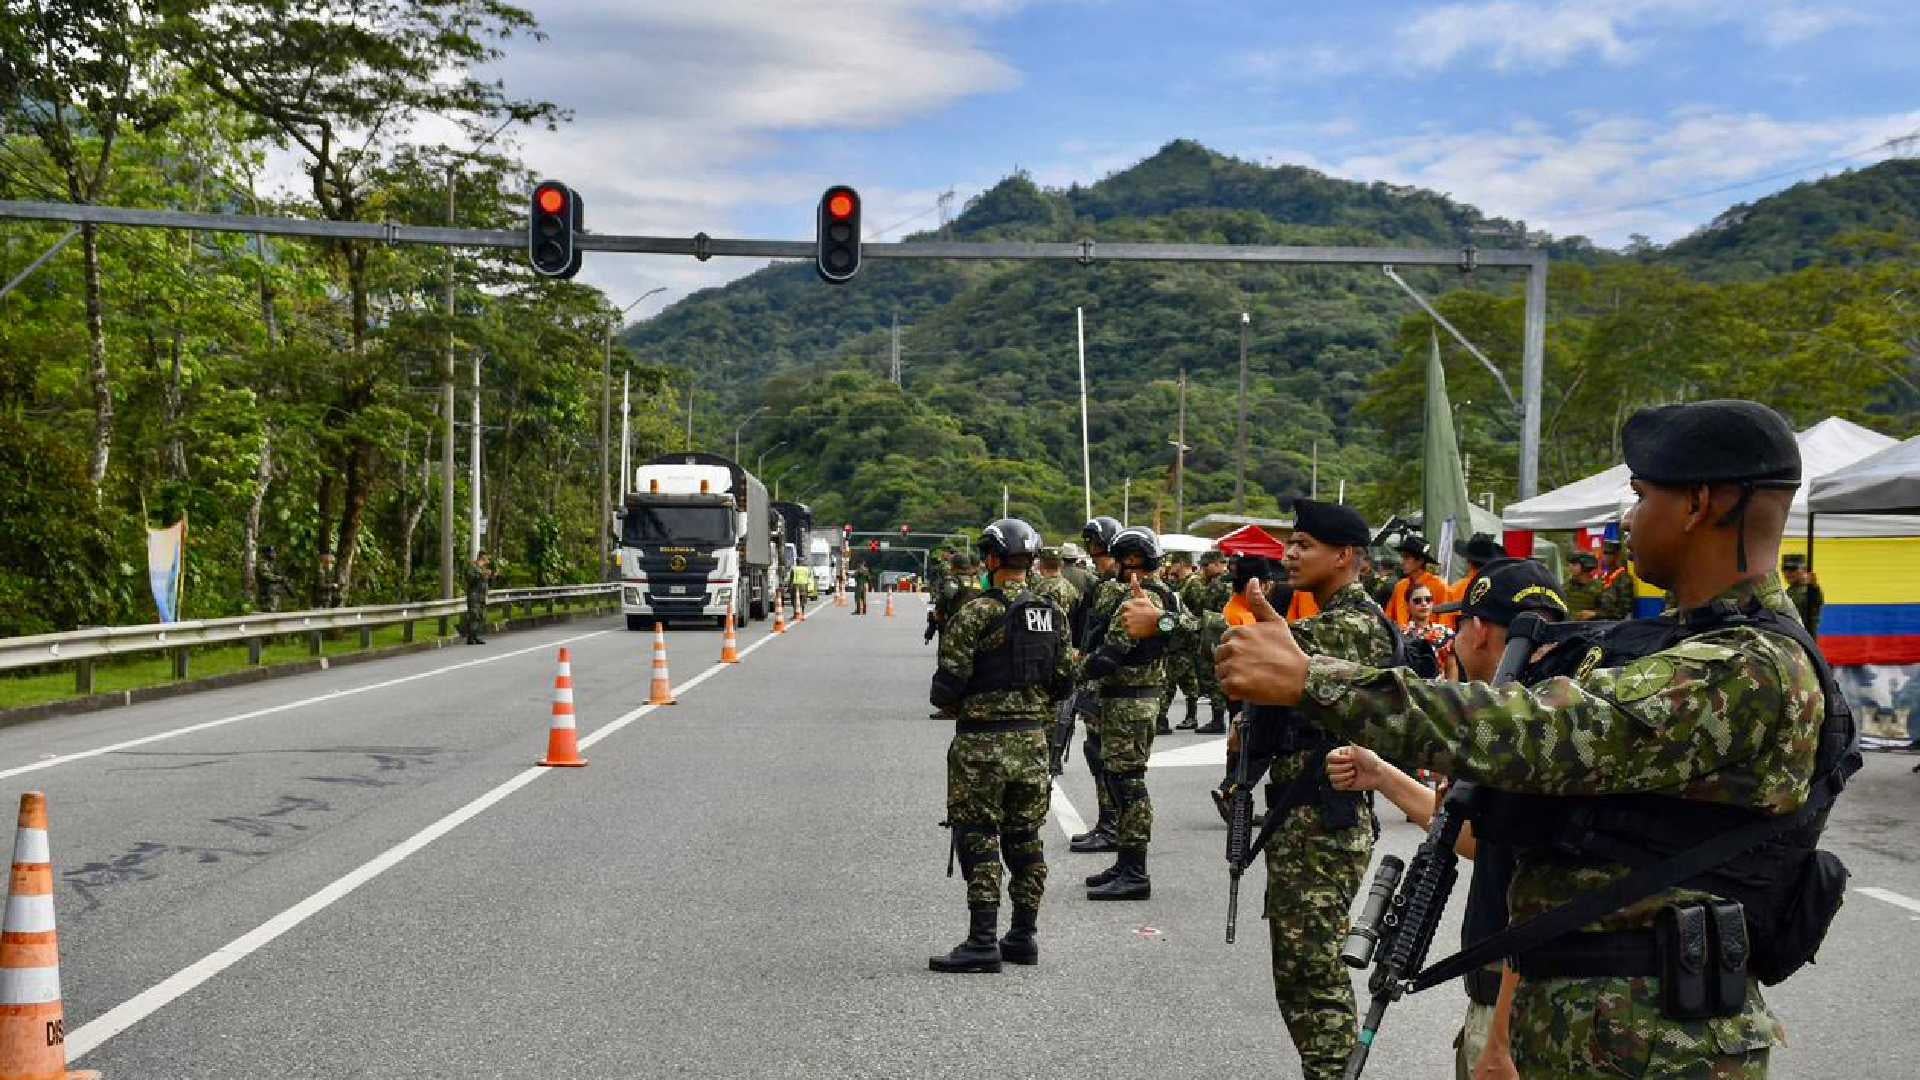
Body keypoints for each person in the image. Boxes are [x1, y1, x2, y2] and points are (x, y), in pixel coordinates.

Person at [1218, 400, 1856, 1079]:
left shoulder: (1750, 666)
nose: (1628, 519)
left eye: (1642, 497)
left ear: (1699, 505)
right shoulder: (1687, 643)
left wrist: (1316, 681)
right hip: (1602, 1031)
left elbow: (1543, 730)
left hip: (1656, 1048)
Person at [1140, 498, 1396, 1078]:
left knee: (1313, 974)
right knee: (1301, 973)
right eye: (1291, 543)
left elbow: (1260, 648)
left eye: (1305, 545)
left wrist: (1169, 622)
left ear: (1345, 556)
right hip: (1304, 815)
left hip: (1325, 818)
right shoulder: (1331, 618)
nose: (1290, 554)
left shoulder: (1355, 626)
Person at [1331, 557, 1571, 1080]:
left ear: (1478, 630)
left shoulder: (1514, 734)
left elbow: (1536, 901)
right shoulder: (1547, 719)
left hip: (1519, 1011)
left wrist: (1501, 1042)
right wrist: (1383, 776)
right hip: (1518, 1001)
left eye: (1459, 624)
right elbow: (1479, 842)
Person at [928, 518, 1074, 973]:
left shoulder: (975, 612)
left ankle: (982, 940)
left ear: (991, 559)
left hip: (982, 744)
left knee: (978, 836)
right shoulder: (1053, 614)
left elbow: (946, 688)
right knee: (1025, 838)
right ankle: (1023, 936)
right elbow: (1065, 680)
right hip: (1032, 741)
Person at [1081, 525, 1182, 900]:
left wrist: (1072, 671)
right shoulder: (1159, 593)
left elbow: (1111, 654)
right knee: (1118, 781)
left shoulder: (1140, 599)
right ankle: (1125, 863)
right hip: (1132, 699)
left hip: (1129, 700)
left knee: (1128, 786)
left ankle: (1135, 871)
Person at [1066, 517, 1125, 854]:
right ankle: (1108, 822)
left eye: (1095, 544)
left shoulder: (1118, 583)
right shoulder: (1101, 582)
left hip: (1110, 680)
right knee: (1096, 752)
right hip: (1096, 678)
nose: (1092, 550)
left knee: (1106, 758)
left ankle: (1112, 826)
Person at [1182, 551, 1231, 733]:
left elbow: (1203, 605)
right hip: (1233, 630)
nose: (1203, 570)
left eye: (1205, 566)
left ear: (1217, 564)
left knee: (1213, 675)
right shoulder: (1234, 580)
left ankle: (1218, 720)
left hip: (1215, 631)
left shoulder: (1218, 583)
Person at [1158, 553, 1199, 733]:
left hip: (1179, 642)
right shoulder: (1178, 588)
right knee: (1187, 681)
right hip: (1183, 642)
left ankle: (1163, 720)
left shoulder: (1188, 586)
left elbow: (1190, 615)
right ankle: (1190, 716)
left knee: (1170, 683)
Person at [1386, 536, 1452, 627]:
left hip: (1431, 635)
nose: (1402, 562)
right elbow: (1388, 620)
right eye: (1402, 557)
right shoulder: (1400, 586)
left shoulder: (1439, 586)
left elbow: (1446, 622)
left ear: (1420, 561)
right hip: (1401, 635)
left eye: (1406, 557)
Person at [1401, 582, 1457, 679]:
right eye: (1417, 601)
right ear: (1407, 606)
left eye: (1428, 599)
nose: (1424, 603)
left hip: (1440, 687)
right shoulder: (1400, 634)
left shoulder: (1446, 633)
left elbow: (1451, 667)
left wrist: (1452, 688)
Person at [1595, 538, 1637, 620]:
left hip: (1616, 623)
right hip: (1600, 621)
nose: (1605, 557)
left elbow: (1623, 611)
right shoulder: (1603, 577)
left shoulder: (1624, 578)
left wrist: (1597, 614)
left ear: (1617, 556)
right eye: (1604, 553)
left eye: (1609, 553)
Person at [1782, 554, 1824, 636]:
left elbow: (1814, 601)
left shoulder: (1808, 591)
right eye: (1784, 569)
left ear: (1804, 570)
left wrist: (1814, 586)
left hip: (1801, 640)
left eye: (1793, 569)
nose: (1787, 572)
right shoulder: (1789, 591)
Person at [1562, 551, 1604, 619]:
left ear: (1585, 567)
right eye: (1570, 564)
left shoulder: (1599, 588)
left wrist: (1595, 614)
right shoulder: (1566, 586)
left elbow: (1607, 612)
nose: (1570, 566)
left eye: (1574, 564)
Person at [463, 553, 494, 645]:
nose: (488, 561)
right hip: (474, 596)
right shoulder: (473, 567)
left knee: (481, 616)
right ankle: (470, 637)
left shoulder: (483, 569)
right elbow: (470, 579)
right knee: (474, 616)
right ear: (482, 558)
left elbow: (486, 583)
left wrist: (491, 576)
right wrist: (481, 575)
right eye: (487, 558)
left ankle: (475, 636)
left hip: (482, 597)